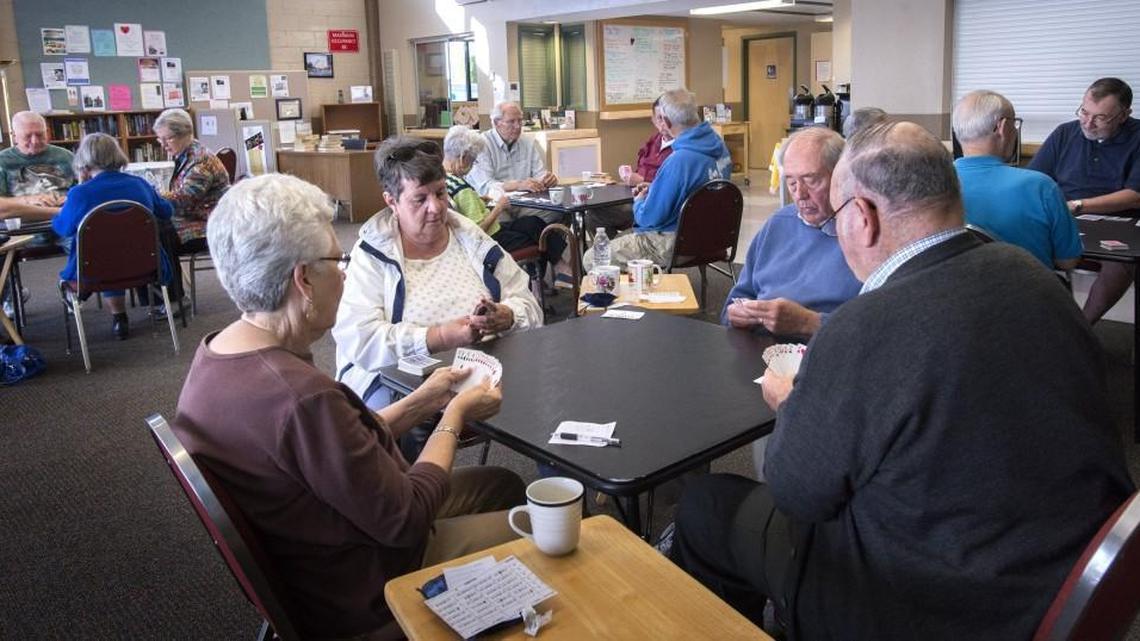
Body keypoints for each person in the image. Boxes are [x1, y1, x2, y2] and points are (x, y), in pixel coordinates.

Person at [669, 121, 1134, 640]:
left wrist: (792, 403)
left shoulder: (868, 326)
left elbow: (798, 492)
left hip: (924, 602)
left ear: (862, 217)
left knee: (706, 506)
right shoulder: (1035, 278)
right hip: (1060, 574)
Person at [173, 172, 525, 640]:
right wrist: (455, 416)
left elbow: (334, 450)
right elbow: (408, 518)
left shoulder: (217, 356)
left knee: (500, 482)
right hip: (372, 581)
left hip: (319, 547)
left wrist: (426, 399)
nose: (343, 273)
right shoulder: (304, 398)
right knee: (554, 523)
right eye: (335, 261)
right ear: (302, 280)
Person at [333, 137, 542, 413]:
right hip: (402, 381)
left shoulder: (471, 239)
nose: (436, 207)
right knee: (412, 419)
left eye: (441, 193)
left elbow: (530, 305)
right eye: (420, 198)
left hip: (486, 368)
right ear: (391, 201)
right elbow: (363, 340)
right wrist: (440, 337)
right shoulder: (372, 255)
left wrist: (506, 316)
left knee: (556, 388)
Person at [722, 127, 861, 340]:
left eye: (811, 180)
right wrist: (735, 315)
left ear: (840, 177)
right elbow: (736, 300)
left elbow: (879, 333)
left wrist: (808, 323)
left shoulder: (864, 235)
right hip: (758, 349)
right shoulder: (778, 224)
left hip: (822, 354)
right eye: (791, 181)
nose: (799, 194)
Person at [1029, 77, 1140, 323]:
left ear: (1124, 115)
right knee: (1020, 248)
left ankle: (1081, 329)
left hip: (1119, 223)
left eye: (1100, 117)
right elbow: (1034, 179)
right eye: (1084, 112)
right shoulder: (1065, 133)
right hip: (1064, 219)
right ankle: (1038, 326)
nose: (1088, 123)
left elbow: (1135, 195)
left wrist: (1079, 205)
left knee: (1121, 263)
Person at [583, 87, 732, 271]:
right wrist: (656, 187)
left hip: (674, 242)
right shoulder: (721, 149)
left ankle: (631, 292)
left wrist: (639, 201)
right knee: (617, 240)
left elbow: (648, 218)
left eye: (661, 118)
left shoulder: (679, 160)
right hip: (713, 238)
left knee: (594, 257)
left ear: (668, 121)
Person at [52, 133, 174, 340]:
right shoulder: (140, 185)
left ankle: (116, 317)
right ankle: (119, 318)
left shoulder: (80, 194)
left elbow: (62, 229)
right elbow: (167, 212)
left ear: (84, 160)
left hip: (93, 271)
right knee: (115, 252)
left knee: (104, 255)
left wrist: (80, 186)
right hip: (145, 267)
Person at [953, 90, 1081, 270]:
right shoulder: (1041, 187)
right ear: (1002, 127)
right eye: (1015, 123)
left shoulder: (932, 185)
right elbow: (1067, 261)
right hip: (1029, 294)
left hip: (954, 294)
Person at [442, 125, 574, 286]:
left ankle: (558, 271)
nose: (472, 165)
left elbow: (467, 209)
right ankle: (560, 271)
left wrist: (479, 200)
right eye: (472, 161)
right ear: (463, 158)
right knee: (542, 235)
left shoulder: (445, 180)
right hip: (490, 238)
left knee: (533, 223)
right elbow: (477, 231)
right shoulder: (461, 188)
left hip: (490, 231)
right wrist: (498, 208)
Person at [150, 108, 229, 307]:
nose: (163, 145)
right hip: (192, 217)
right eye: (160, 140)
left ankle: (174, 299)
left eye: (167, 139)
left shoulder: (200, 161)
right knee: (150, 228)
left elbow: (183, 200)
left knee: (158, 234)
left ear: (184, 133)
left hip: (207, 224)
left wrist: (150, 196)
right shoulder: (186, 154)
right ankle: (162, 296)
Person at [466, 101, 561, 223]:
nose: (517, 126)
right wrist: (518, 185)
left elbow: (539, 175)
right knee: (501, 223)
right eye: (511, 122)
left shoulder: (527, 143)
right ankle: (525, 234)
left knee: (557, 210)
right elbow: (485, 187)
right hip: (495, 204)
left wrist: (547, 179)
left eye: (520, 121)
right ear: (496, 123)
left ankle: (528, 234)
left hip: (525, 203)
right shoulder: (482, 144)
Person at [0, 111, 74, 220]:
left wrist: (70, 198)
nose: (35, 141)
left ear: (47, 132)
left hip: (65, 223)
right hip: (22, 228)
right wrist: (28, 200)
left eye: (40, 135)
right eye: (27, 136)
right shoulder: (3, 160)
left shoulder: (66, 157)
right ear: (14, 136)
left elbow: (85, 189)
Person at [623, 94, 674, 186]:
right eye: (659, 118)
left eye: (667, 118)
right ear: (653, 120)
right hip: (638, 192)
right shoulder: (653, 141)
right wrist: (629, 176)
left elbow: (672, 184)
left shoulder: (682, 148)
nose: (663, 123)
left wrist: (642, 180)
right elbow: (642, 167)